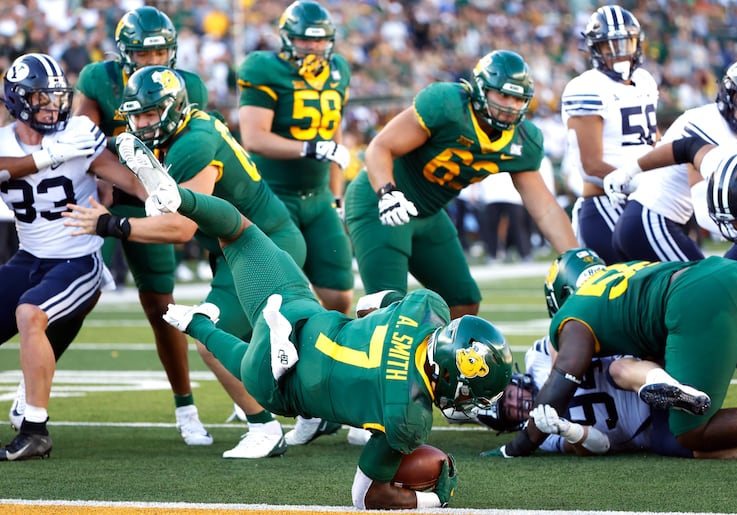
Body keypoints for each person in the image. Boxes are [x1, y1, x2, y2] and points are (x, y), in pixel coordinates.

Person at [113, 141, 513, 509]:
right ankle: (197, 324)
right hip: (286, 386)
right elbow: (365, 497)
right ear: (448, 375)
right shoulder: (409, 420)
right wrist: (434, 500)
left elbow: (371, 305)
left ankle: (177, 196)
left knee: (238, 231)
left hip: (300, 315)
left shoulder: (428, 308)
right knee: (247, 364)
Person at [64, 67, 307, 460]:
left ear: (173, 109)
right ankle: (308, 414)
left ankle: (264, 426)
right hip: (247, 243)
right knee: (272, 342)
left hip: (258, 246)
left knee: (209, 332)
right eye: (136, 116)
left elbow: (178, 228)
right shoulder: (185, 130)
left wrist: (109, 224)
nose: (141, 124)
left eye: (149, 115)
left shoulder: (192, 143)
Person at [487, 247, 737, 459]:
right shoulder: (614, 280)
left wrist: (520, 444)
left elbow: (567, 370)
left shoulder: (568, 322)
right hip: (734, 275)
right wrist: (564, 429)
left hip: (696, 304)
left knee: (689, 433)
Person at [345, 49, 576, 321]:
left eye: (518, 99)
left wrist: (577, 260)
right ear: (481, 90)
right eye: (503, 95)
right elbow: (379, 148)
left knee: (463, 302)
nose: (510, 106)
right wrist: (387, 192)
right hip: (381, 203)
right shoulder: (447, 105)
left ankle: (436, 361)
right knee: (387, 311)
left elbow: (546, 209)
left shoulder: (522, 141)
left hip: (429, 214)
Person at [72, 5, 212, 446]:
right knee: (69, 294)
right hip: (105, 196)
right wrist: (115, 178)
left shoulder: (189, 87)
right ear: (124, 53)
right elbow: (82, 140)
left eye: (159, 53)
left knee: (161, 306)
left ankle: (186, 405)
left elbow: (183, 149)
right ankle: (31, 401)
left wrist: (151, 190)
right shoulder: (99, 80)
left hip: (155, 202)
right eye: (142, 53)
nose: (152, 62)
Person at [0, 53, 146, 460]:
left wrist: (161, 195)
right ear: (17, 100)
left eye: (56, 97)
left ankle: (34, 430)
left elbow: (127, 179)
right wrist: (48, 157)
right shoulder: (5, 141)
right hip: (29, 257)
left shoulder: (79, 131)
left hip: (77, 261)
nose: (52, 106)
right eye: (41, 98)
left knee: (30, 313)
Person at [236, 0, 362, 446]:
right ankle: (274, 386)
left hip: (317, 198)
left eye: (320, 39)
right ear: (287, 40)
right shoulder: (263, 68)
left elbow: (336, 134)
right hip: (272, 197)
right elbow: (253, 136)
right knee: (279, 303)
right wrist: (311, 148)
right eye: (306, 38)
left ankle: (333, 394)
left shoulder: (338, 71)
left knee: (338, 296)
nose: (313, 46)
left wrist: (337, 192)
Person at [605, 139, 737, 358]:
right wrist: (631, 170)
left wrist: (733, 320)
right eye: (729, 220)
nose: (734, 227)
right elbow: (686, 147)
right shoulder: (718, 163)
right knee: (712, 286)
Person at [475, 336, 737, 461]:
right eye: (509, 411)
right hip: (645, 428)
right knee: (690, 447)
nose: (517, 404)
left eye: (509, 397)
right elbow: (601, 446)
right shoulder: (542, 438)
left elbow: (570, 343)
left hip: (645, 364)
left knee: (617, 368)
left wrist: (553, 393)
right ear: (509, 424)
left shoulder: (538, 359)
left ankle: (664, 385)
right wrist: (566, 429)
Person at [612, 58, 737, 262]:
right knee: (705, 286)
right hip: (650, 218)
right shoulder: (708, 124)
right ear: (729, 93)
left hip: (668, 222)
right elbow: (703, 211)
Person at [560, 5, 658, 264]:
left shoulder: (646, 81)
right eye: (609, 47)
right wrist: (641, 181)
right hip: (605, 205)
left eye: (625, 43)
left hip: (643, 203)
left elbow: (650, 140)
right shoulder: (587, 88)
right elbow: (590, 165)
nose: (619, 53)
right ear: (595, 50)